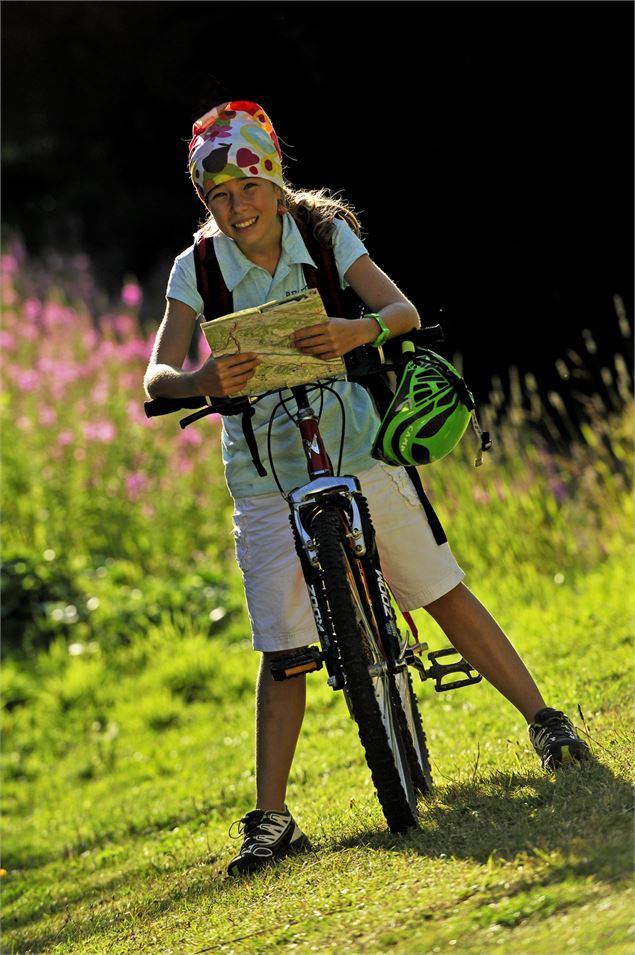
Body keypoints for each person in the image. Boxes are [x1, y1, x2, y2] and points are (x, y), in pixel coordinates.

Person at [144, 100, 590, 877]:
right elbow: (156, 374)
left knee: (436, 587)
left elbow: (401, 309)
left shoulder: (320, 233)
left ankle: (545, 720)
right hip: (261, 470)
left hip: (358, 442)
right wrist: (198, 379)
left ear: (275, 184)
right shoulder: (197, 267)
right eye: (218, 195)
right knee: (282, 647)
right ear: (205, 202)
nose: (236, 204)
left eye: (249, 185)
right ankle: (271, 816)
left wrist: (361, 331)